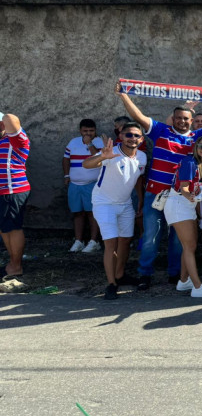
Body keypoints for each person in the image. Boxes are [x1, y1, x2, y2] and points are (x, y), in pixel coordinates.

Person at [116, 82, 202, 289]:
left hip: (181, 196)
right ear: (173, 118)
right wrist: (123, 95)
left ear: (192, 121)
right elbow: (138, 116)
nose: (182, 121)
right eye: (179, 118)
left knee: (178, 240)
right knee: (150, 238)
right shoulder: (160, 131)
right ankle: (145, 275)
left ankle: (175, 275)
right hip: (155, 194)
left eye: (186, 119)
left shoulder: (196, 136)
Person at [82, 123, 147, 300]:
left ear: (141, 139)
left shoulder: (142, 156)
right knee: (111, 244)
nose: (132, 138)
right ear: (121, 136)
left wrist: (140, 200)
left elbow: (138, 180)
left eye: (136, 135)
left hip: (125, 203)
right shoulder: (110, 152)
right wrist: (102, 157)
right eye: (128, 135)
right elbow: (86, 164)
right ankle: (111, 284)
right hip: (104, 204)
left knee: (125, 241)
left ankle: (120, 275)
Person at [163, 135, 202, 298]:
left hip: (186, 205)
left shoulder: (201, 164)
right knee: (189, 247)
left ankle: (184, 281)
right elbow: (184, 188)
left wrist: (193, 204)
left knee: (190, 246)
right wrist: (192, 199)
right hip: (179, 204)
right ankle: (197, 286)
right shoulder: (189, 162)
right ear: (196, 147)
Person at [63, 119, 103, 253]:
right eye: (85, 131)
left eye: (91, 131)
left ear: (95, 130)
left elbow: (98, 158)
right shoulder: (73, 142)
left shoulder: (99, 142)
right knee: (77, 213)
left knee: (93, 213)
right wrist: (67, 175)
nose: (88, 133)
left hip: (93, 184)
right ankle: (79, 241)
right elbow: (66, 159)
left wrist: (89, 144)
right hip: (75, 184)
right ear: (80, 131)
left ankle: (94, 241)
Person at [0, 111, 30, 279]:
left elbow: (11, 118)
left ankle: (16, 266)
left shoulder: (16, 140)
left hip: (13, 191)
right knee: (4, 228)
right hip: (2, 192)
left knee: (13, 228)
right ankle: (12, 263)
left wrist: (4, 118)